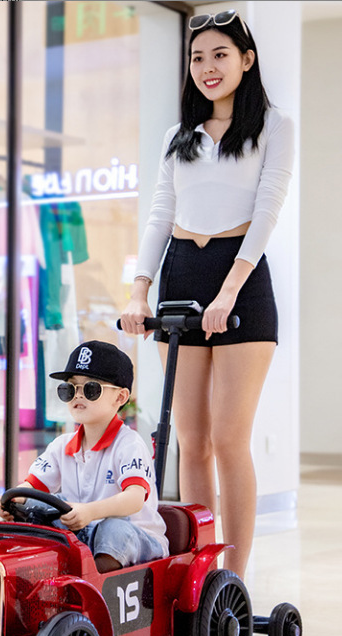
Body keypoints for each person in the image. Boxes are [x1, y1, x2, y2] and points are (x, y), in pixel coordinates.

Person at [120, 10, 294, 580]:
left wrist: (229, 292)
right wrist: (139, 291)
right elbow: (160, 216)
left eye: (220, 54)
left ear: (246, 59)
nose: (207, 68)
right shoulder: (180, 137)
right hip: (182, 273)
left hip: (239, 275)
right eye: (197, 58)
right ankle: (198, 572)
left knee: (227, 439)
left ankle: (233, 583)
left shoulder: (273, 126)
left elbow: (266, 212)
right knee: (188, 441)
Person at [0, 340, 169, 573]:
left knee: (113, 529)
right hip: (83, 534)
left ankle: (92, 587)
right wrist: (12, 503)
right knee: (35, 510)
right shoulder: (61, 445)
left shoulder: (129, 444)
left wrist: (89, 512)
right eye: (70, 389)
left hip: (137, 538)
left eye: (90, 389)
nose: (78, 396)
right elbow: (32, 486)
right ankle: (31, 575)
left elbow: (134, 499)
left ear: (120, 397)